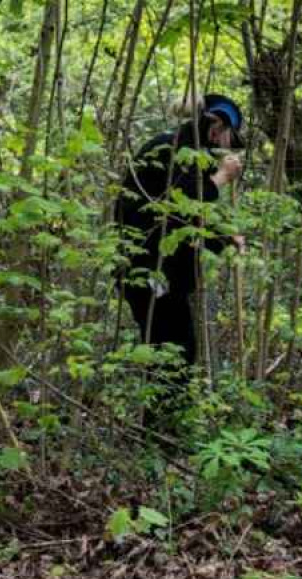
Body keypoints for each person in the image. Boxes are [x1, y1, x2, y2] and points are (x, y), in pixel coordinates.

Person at [115, 94, 245, 402]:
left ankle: (164, 430)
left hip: (163, 272)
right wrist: (221, 178)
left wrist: (224, 239)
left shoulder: (190, 155)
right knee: (171, 354)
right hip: (150, 269)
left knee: (178, 352)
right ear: (217, 127)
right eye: (228, 136)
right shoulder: (172, 149)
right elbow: (181, 205)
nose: (226, 145)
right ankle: (160, 433)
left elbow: (186, 220)